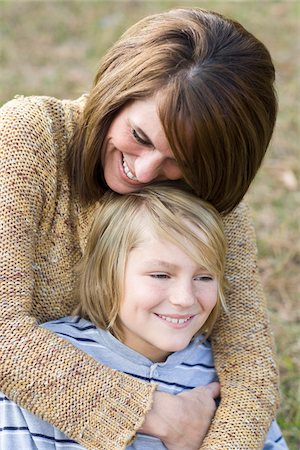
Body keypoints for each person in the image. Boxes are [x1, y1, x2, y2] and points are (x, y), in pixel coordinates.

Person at [0, 6, 279, 450]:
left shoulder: (209, 189)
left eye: (178, 162)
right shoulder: (31, 136)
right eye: (140, 136)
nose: (146, 172)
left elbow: (249, 362)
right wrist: (153, 413)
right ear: (116, 93)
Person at [0, 185, 288, 450]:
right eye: (161, 275)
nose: (185, 298)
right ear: (106, 277)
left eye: (204, 277)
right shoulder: (46, 360)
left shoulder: (225, 379)